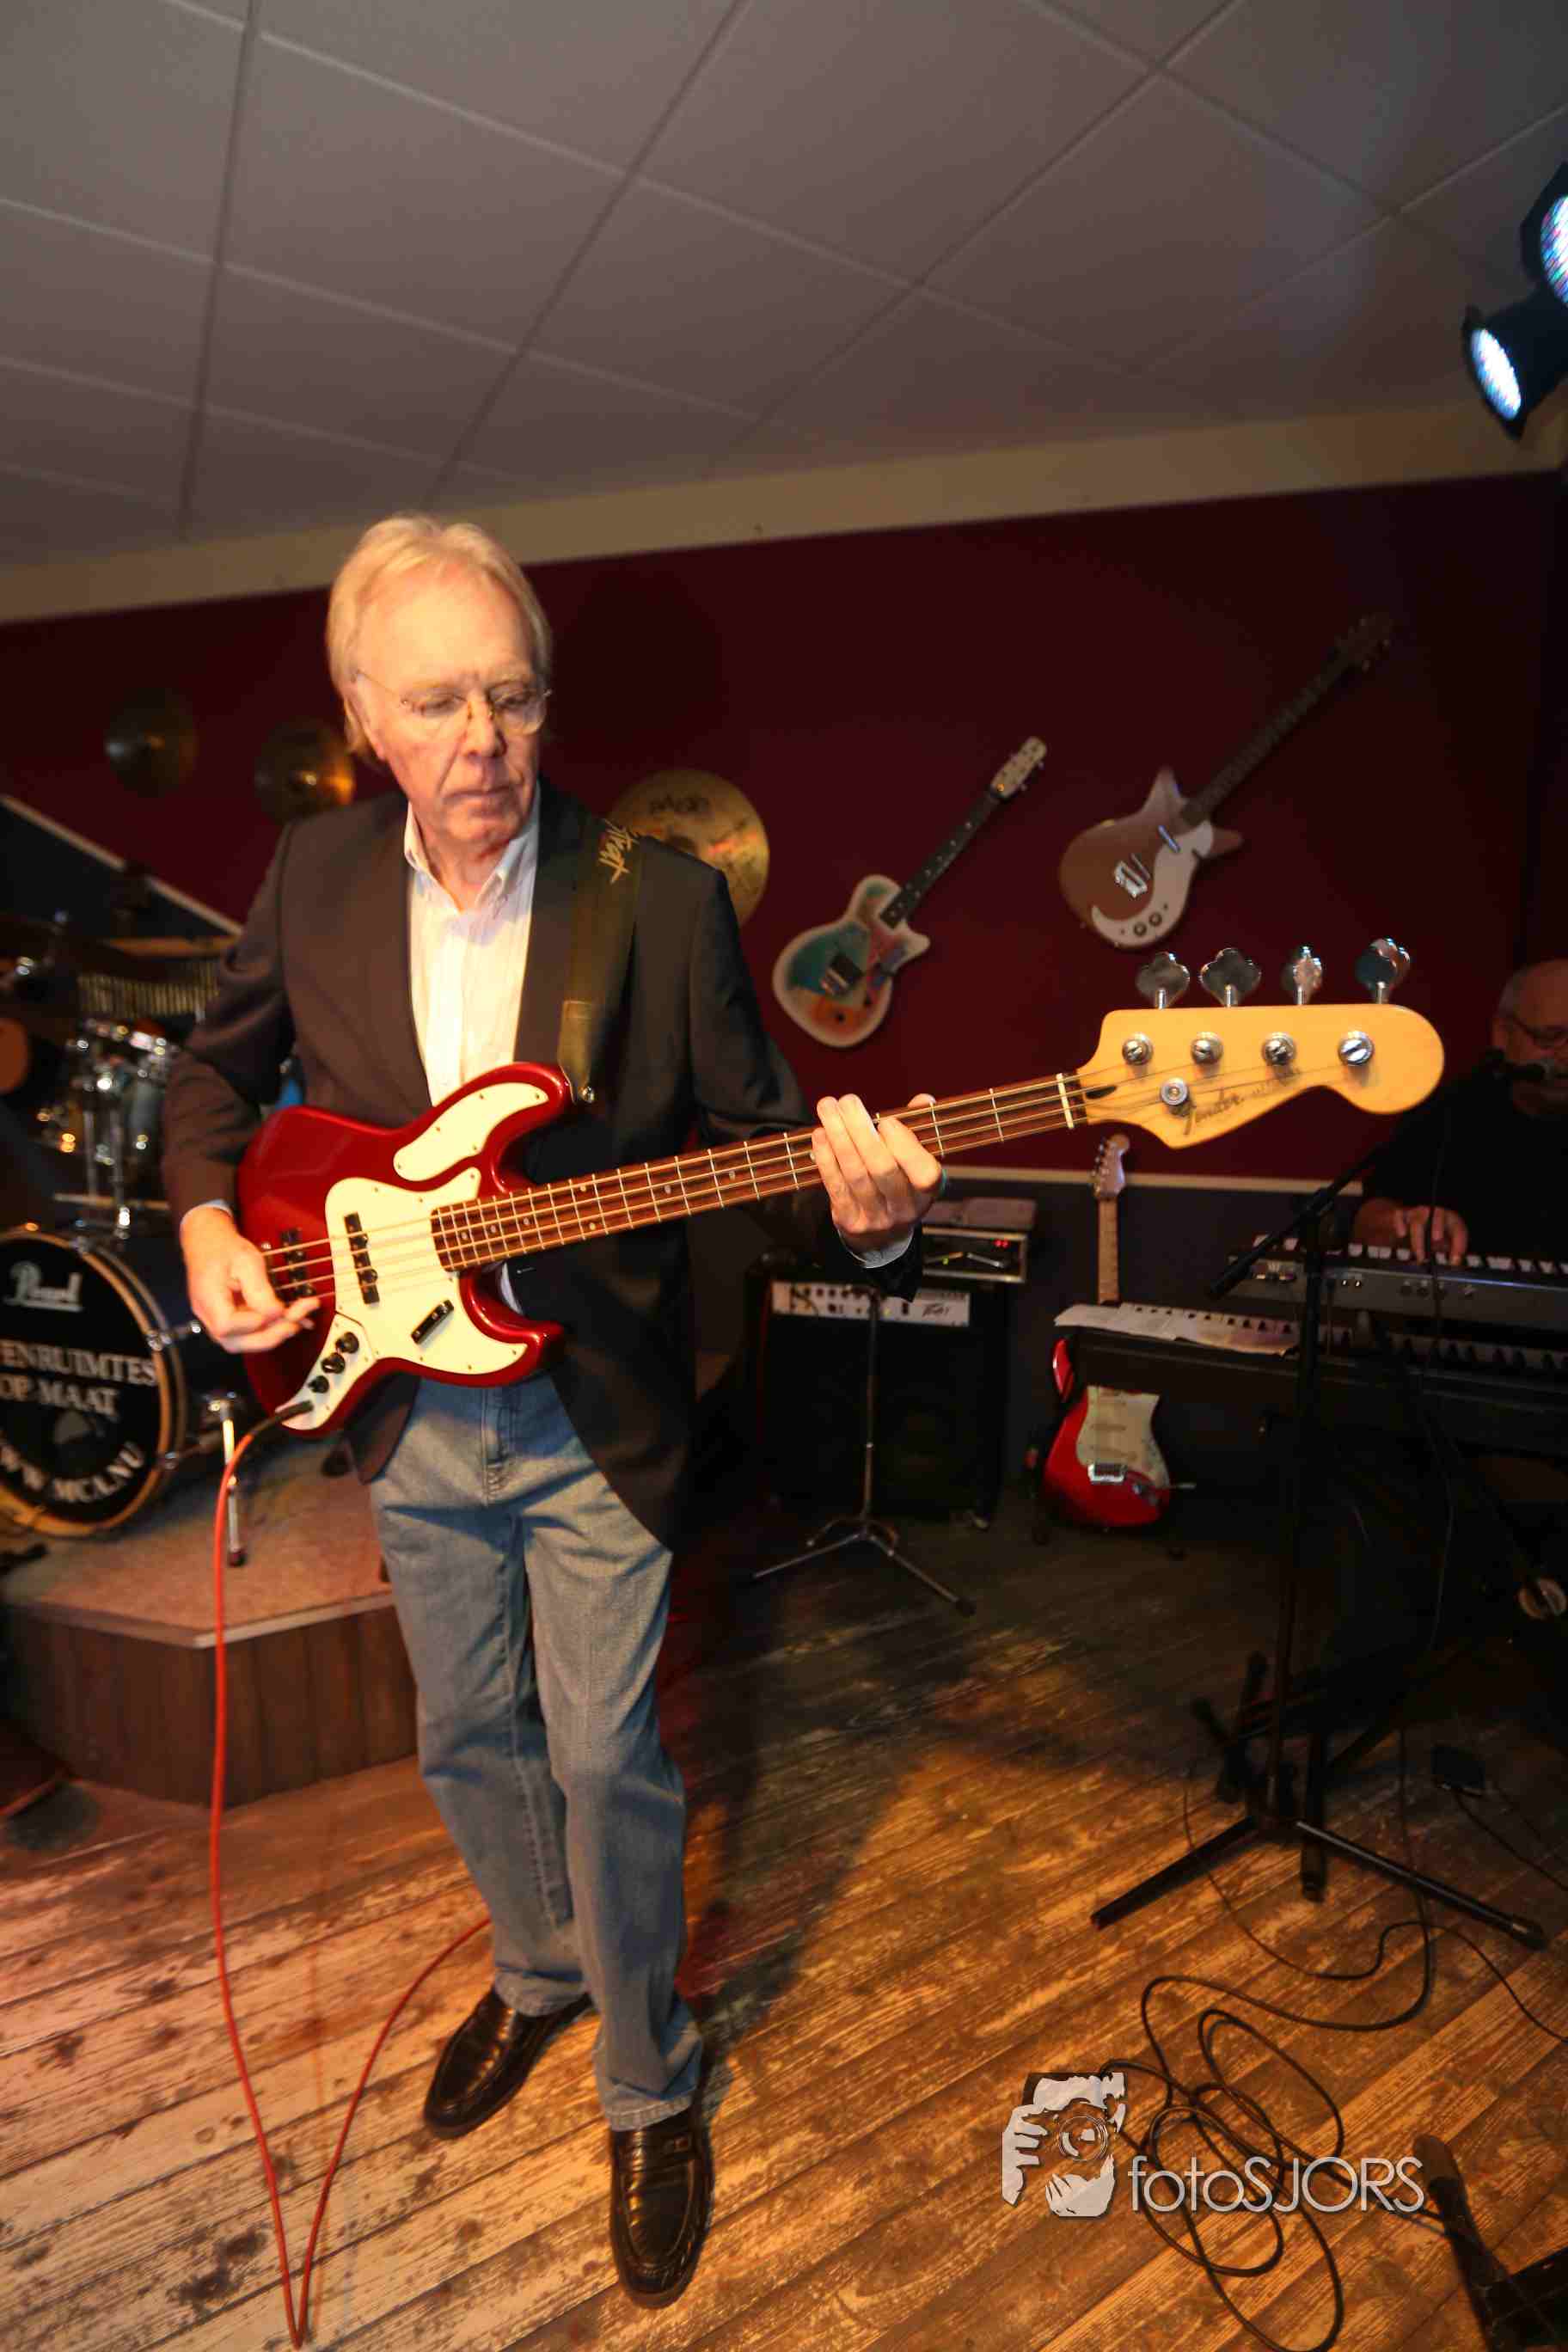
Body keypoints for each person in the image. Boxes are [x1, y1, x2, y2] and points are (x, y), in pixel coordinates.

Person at [161, 515, 943, 2310]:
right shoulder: (313, 873)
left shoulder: (652, 897)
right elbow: (214, 1074)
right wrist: (206, 1220)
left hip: (594, 1403)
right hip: (405, 1404)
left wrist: (863, 1217)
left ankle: (649, 2081)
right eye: (439, 703)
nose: (484, 742)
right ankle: (536, 1974)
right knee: (465, 1737)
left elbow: (760, 1148)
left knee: (606, 1759)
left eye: (513, 699)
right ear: (366, 717)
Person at [1352, 959, 1568, 1264]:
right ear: (1504, 1034)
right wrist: (1407, 1224)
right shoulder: (1450, 1111)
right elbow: (1368, 1222)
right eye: (1552, 1036)